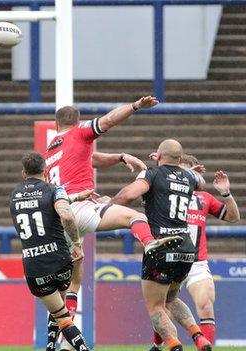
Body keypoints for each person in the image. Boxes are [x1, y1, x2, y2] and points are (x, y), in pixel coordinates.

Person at [43, 96, 183, 351]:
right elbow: (108, 120)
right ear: (77, 122)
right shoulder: (80, 132)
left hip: (57, 219)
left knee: (70, 284)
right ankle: (149, 243)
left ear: (56, 124)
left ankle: (58, 344)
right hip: (81, 208)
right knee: (136, 217)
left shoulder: (51, 149)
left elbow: (92, 159)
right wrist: (136, 106)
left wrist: (119, 156)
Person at [111, 139, 212, 351]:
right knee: (171, 298)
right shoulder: (189, 177)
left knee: (155, 306)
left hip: (161, 246)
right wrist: (188, 173)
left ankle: (174, 346)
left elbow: (129, 195)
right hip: (186, 247)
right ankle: (198, 336)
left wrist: (108, 205)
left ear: (158, 155)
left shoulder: (153, 174)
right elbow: (200, 182)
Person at [149, 154, 240, 351]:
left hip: (197, 262)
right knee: (163, 306)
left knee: (206, 305)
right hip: (171, 258)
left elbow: (233, 217)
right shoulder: (166, 193)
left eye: (186, 172)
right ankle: (158, 345)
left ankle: (202, 346)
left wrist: (226, 194)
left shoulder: (204, 198)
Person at [10, 152, 91, 351]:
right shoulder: (54, 189)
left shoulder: (14, 194)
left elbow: (37, 205)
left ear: (23, 173)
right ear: (45, 171)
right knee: (65, 304)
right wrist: (77, 244)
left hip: (34, 266)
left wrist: (74, 197)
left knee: (59, 312)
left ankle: (50, 346)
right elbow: (66, 215)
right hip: (59, 259)